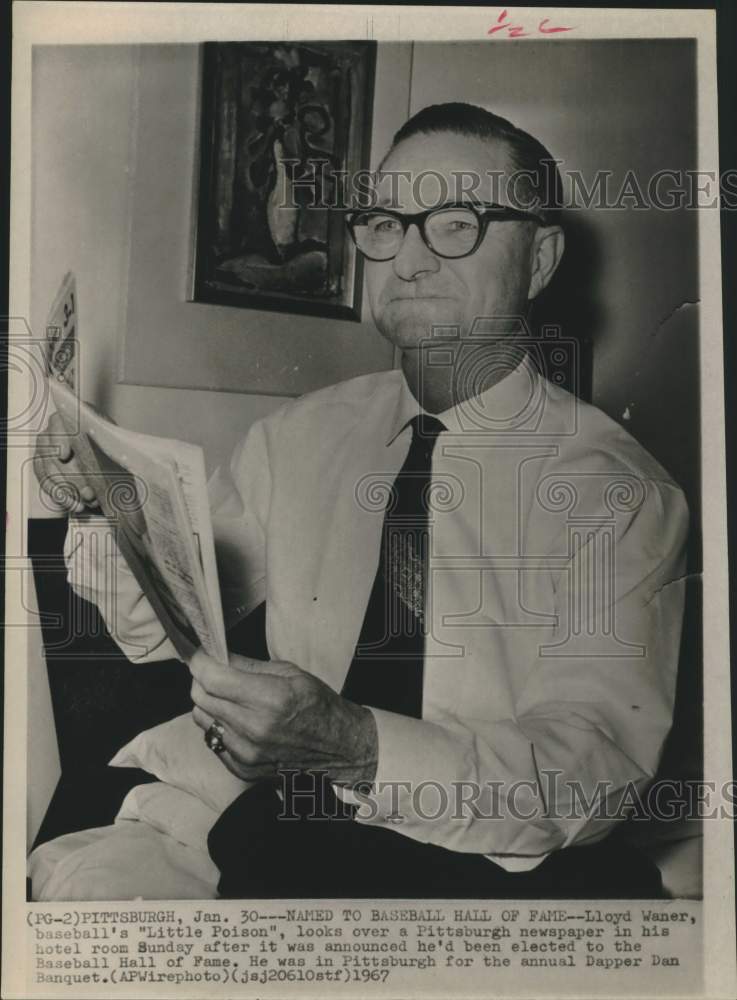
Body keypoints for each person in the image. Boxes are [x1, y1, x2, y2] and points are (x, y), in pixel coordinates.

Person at [34, 103, 689, 898]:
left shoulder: (617, 493)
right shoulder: (298, 436)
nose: (407, 260)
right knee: (82, 866)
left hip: (487, 859)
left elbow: (589, 776)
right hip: (277, 823)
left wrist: (356, 746)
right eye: (384, 223)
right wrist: (99, 502)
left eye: (456, 223)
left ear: (539, 259)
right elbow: (159, 630)